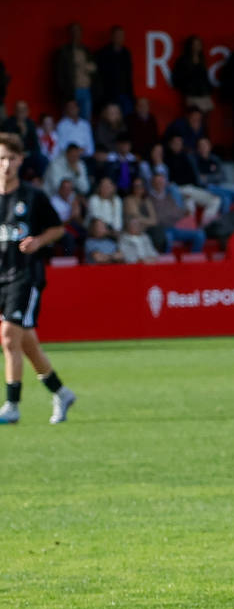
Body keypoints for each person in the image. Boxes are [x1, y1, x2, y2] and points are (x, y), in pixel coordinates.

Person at [0, 134, 77, 424]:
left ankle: (12, 406)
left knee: (9, 336)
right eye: (1, 158)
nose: (6, 164)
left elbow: (58, 229)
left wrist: (38, 241)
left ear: (20, 160)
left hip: (26, 275)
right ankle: (61, 393)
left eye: (11, 158)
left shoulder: (32, 196)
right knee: (27, 343)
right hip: (2, 275)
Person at [53, 23, 98, 121]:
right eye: (73, 32)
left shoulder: (86, 50)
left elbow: (94, 67)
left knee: (86, 120)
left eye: (78, 32)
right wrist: (64, 90)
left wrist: (88, 67)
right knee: (69, 118)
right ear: (69, 34)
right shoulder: (65, 51)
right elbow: (60, 73)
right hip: (72, 89)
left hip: (86, 89)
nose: (76, 34)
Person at [94, 25, 135, 116]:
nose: (119, 38)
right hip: (108, 94)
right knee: (111, 118)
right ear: (112, 37)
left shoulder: (126, 53)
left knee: (127, 118)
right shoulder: (103, 53)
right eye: (117, 35)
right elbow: (99, 77)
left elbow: (129, 75)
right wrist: (101, 95)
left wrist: (131, 95)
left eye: (121, 35)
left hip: (124, 93)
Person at [173, 35, 214, 112]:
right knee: (194, 116)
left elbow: (205, 77)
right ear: (190, 46)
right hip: (191, 95)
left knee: (205, 116)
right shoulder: (183, 60)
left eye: (199, 44)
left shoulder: (202, 60)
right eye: (194, 44)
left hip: (204, 93)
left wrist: (209, 89)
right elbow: (177, 78)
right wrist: (187, 87)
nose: (197, 47)